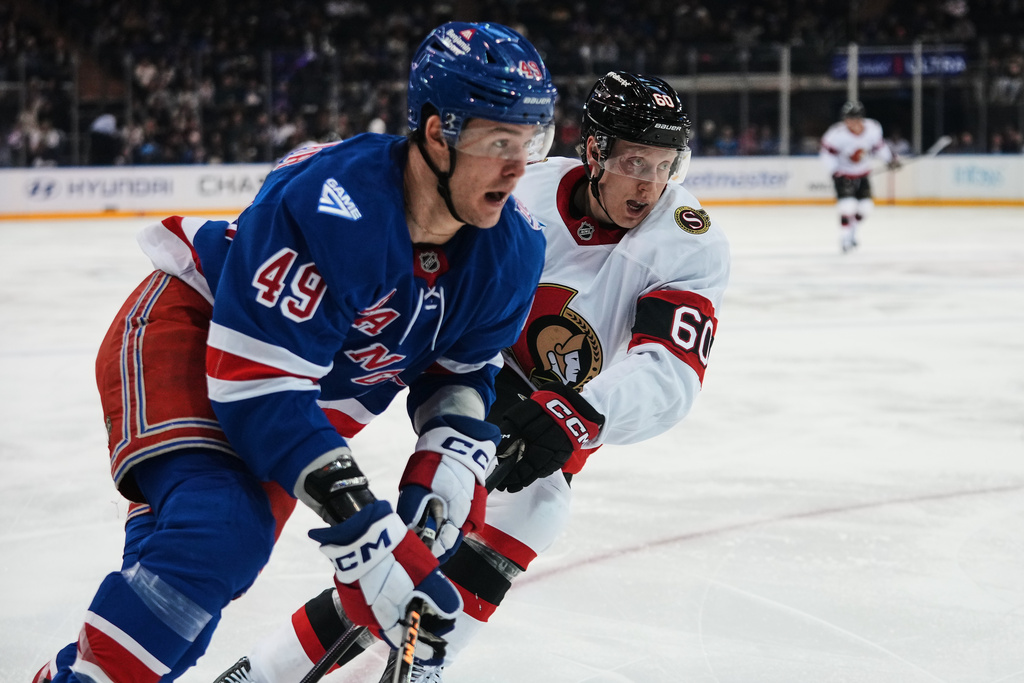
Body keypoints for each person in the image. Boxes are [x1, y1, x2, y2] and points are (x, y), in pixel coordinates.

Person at [31, 21, 558, 683]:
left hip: (297, 401)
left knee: (193, 586)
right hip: (194, 334)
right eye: (499, 141)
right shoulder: (337, 204)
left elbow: (461, 369)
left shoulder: (512, 251)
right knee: (220, 534)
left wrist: (445, 464)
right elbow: (256, 382)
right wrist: (366, 534)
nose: (518, 167)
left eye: (531, 141)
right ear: (436, 134)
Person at [214, 71, 731, 683]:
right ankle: (271, 671)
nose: (650, 184)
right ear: (594, 152)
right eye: (635, 162)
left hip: (563, 411)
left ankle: (408, 665)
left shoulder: (687, 241)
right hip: (474, 372)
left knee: (529, 509)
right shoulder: (527, 188)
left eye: (667, 165)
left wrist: (582, 412)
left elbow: (669, 370)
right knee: (431, 535)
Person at [819, 100, 900, 253]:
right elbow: (826, 154)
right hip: (843, 174)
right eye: (847, 119)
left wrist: (890, 159)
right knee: (847, 206)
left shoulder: (873, 129)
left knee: (866, 208)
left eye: (853, 118)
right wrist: (835, 171)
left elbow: (878, 147)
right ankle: (844, 238)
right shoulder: (836, 134)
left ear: (860, 118)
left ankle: (852, 233)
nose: (850, 122)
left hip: (863, 173)